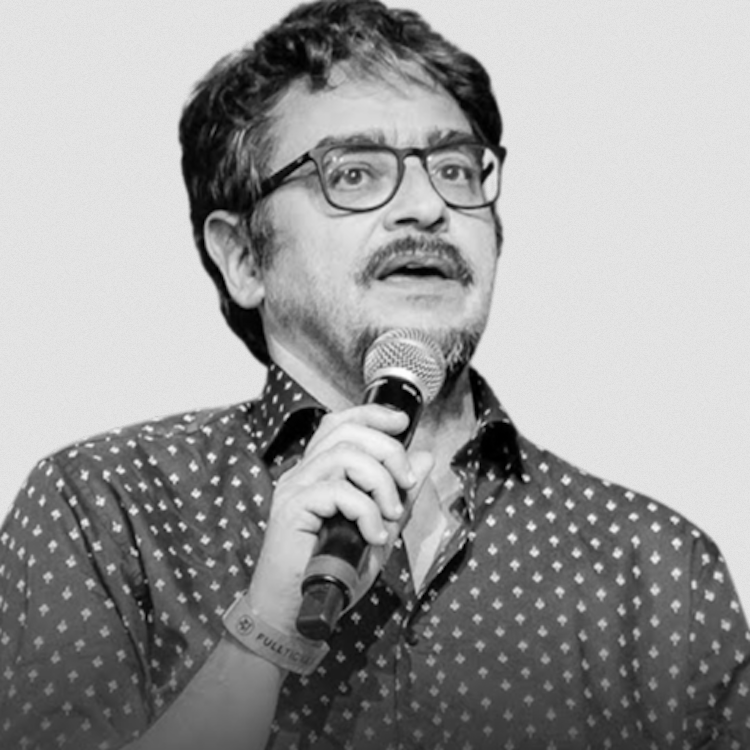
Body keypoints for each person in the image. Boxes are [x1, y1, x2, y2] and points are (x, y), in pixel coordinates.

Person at [1, 1, 748, 748]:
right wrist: (262, 633)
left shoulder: (655, 570)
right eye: (354, 173)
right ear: (244, 257)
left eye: (455, 170)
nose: (427, 207)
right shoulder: (107, 510)